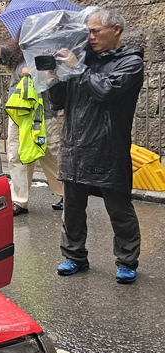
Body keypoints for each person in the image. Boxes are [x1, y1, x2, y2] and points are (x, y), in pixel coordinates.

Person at [48, 6, 143, 284]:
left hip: (108, 147)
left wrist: (76, 66)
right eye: (87, 31)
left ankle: (127, 261)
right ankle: (74, 256)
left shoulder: (131, 62)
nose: (90, 37)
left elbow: (105, 90)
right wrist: (52, 75)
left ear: (116, 30)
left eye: (95, 31)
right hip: (75, 145)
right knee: (73, 209)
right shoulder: (81, 59)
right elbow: (57, 102)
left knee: (119, 209)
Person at [0, 2, 64, 216]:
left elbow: (57, 79)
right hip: (20, 115)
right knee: (17, 155)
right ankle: (19, 201)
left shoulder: (53, 52)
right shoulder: (15, 52)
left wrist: (37, 72)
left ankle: (65, 194)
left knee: (51, 154)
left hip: (45, 113)